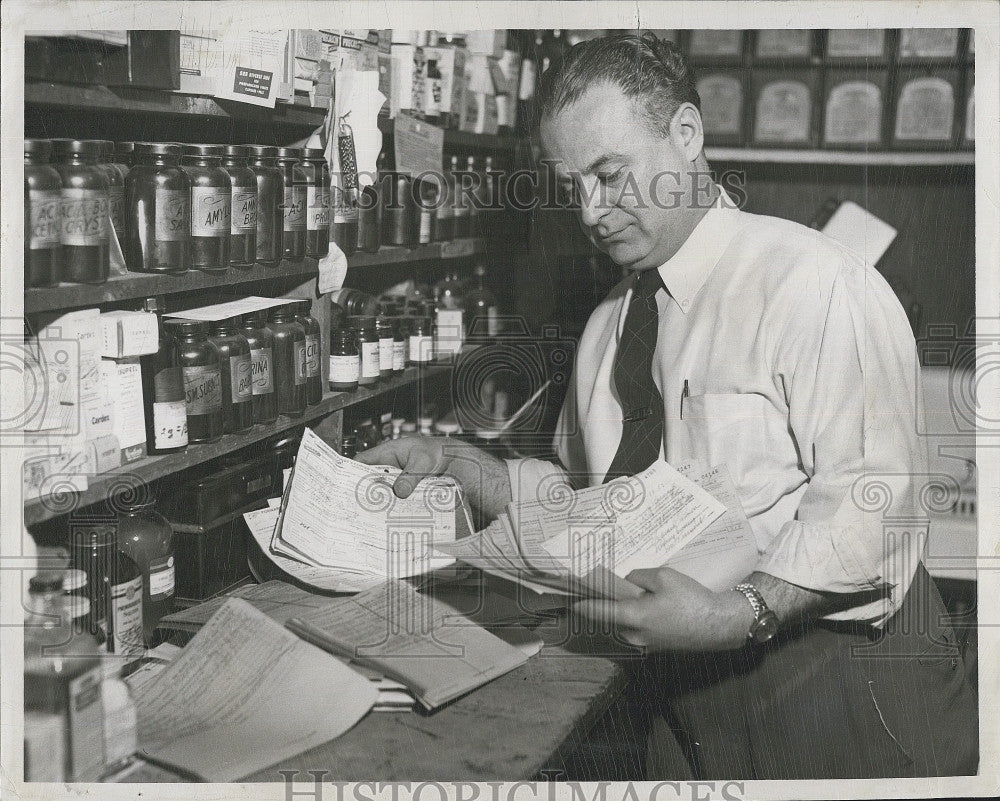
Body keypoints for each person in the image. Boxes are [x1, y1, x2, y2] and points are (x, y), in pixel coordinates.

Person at [358, 33, 977, 779]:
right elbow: (587, 507)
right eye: (573, 185)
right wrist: (465, 467)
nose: (591, 210)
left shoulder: (812, 281)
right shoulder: (605, 328)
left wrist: (735, 613)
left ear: (685, 135)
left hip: (843, 683)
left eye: (610, 175)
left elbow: (876, 502)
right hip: (688, 698)